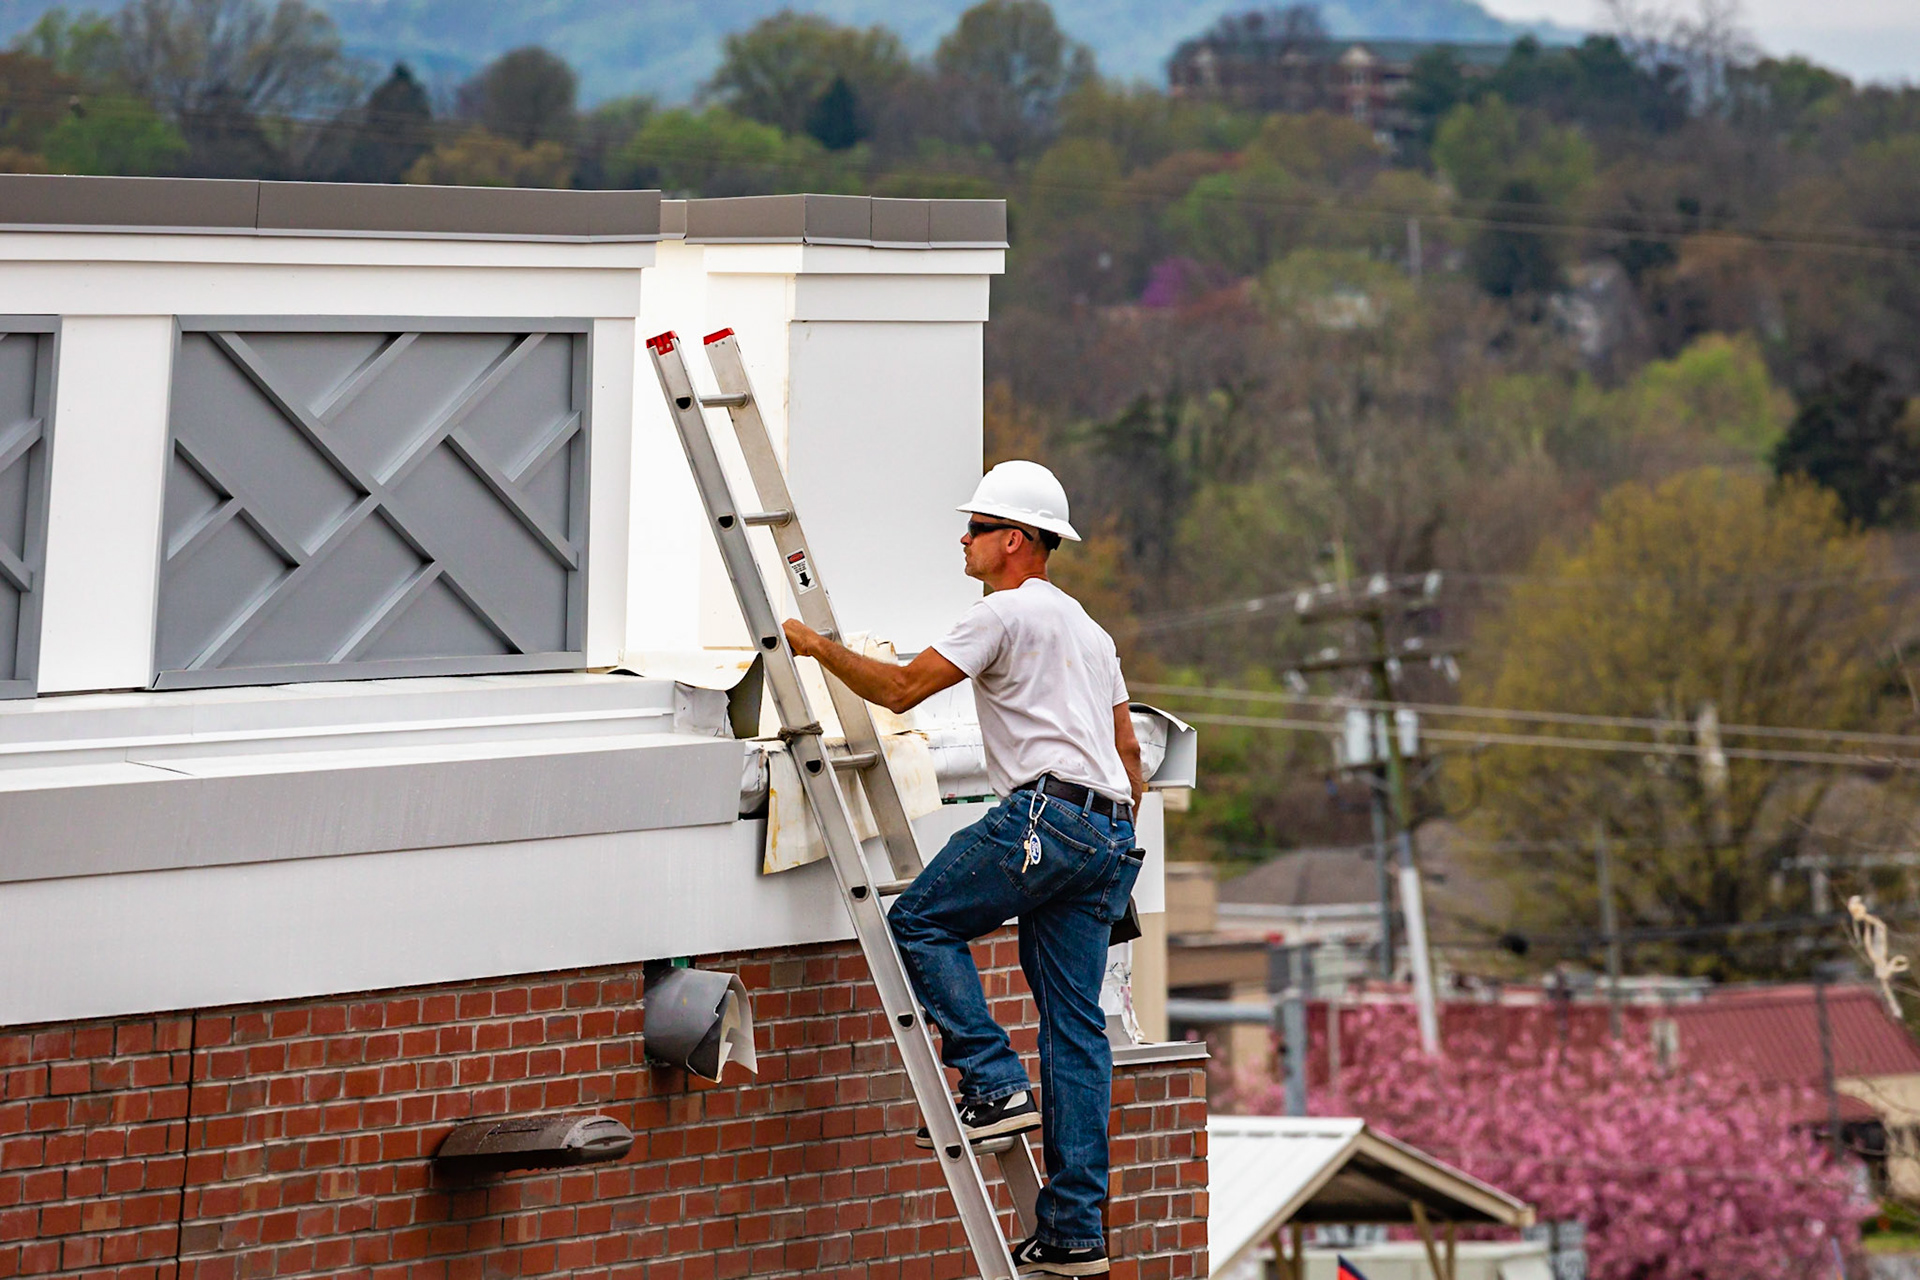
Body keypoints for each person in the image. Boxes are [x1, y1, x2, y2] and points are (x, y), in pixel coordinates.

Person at [783, 459, 1145, 1279]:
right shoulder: (1091, 633)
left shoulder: (1005, 615)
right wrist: (1110, 847)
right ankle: (1076, 1232)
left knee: (917, 919)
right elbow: (1128, 754)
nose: (964, 539)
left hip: (1046, 818)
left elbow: (905, 689)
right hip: (1108, 834)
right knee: (1077, 1031)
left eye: (977, 529)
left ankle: (989, 1080)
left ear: (1014, 541)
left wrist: (812, 646)